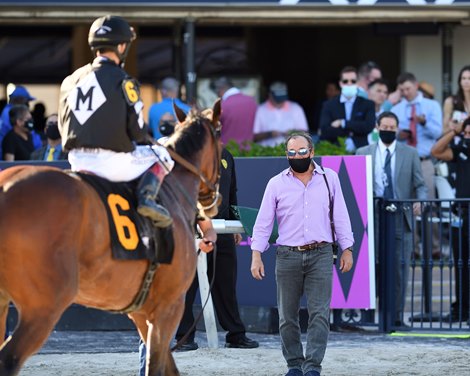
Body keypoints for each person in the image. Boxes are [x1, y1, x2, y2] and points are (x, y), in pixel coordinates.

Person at [250, 132, 354, 376]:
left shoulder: (330, 179)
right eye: (291, 153)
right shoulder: (276, 183)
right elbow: (263, 222)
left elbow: (341, 215)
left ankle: (313, 367)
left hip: (321, 253)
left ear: (312, 152)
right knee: (287, 316)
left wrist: (347, 248)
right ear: (286, 154)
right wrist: (256, 254)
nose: (296, 156)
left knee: (320, 313)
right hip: (287, 255)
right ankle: (294, 365)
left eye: (301, 151)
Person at [58, 15, 173, 228]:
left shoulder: (70, 80)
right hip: (112, 164)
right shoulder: (124, 81)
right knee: (165, 155)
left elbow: (63, 126)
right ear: (121, 46)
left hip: (76, 161)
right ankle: (147, 199)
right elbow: (138, 133)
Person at [174, 148, 259, 351]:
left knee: (226, 284)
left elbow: (231, 192)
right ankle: (184, 336)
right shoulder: (185, 153)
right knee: (187, 285)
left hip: (223, 229)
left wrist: (234, 223)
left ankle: (235, 334)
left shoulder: (226, 155)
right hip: (191, 230)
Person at [356, 111, 427, 326]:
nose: (388, 130)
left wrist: (420, 201)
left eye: (392, 127)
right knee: (370, 266)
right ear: (377, 128)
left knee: (398, 268)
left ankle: (395, 317)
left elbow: (420, 184)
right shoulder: (363, 152)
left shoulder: (410, 153)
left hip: (399, 215)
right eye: (384, 127)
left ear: (397, 129)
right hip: (372, 215)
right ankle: (368, 316)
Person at [138, 217, 217, 375]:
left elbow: (208, 228)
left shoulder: (192, 200)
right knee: (153, 330)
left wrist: (208, 240)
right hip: (153, 270)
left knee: (163, 332)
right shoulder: (154, 196)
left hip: (179, 273)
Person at [391, 72, 443, 255]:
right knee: (407, 204)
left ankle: (434, 248)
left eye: (408, 88)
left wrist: (425, 122)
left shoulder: (431, 105)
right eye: (402, 89)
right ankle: (412, 248)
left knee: (427, 203)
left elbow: (438, 133)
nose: (406, 92)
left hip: (424, 160)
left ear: (416, 86)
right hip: (404, 160)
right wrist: (399, 135)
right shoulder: (397, 109)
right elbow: (389, 131)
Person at [431, 117, 470, 324]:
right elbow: (436, 151)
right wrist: (454, 132)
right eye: (466, 134)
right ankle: (462, 308)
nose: (467, 138)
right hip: (462, 213)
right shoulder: (461, 152)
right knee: (461, 263)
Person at [319, 66, 375, 153]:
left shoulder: (368, 104)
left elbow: (368, 126)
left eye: (353, 81)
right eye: (345, 81)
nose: (349, 84)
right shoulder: (329, 105)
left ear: (357, 83)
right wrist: (352, 131)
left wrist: (343, 123)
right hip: (335, 151)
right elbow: (325, 131)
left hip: (361, 151)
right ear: (340, 83)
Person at [253, 81, 308, 147]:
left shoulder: (296, 108)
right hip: (266, 153)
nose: (280, 102)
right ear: (270, 95)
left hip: (292, 153)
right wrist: (269, 134)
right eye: (277, 99)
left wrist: (293, 133)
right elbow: (254, 137)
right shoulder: (260, 110)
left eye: (282, 99)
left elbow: (305, 133)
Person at [210, 77, 257, 146]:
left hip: (227, 151)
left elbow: (212, 128)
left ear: (220, 90)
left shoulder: (222, 105)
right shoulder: (252, 102)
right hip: (249, 152)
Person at [0, 85, 41, 158]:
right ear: (19, 100)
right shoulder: (9, 112)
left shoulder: (8, 111)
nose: (28, 104)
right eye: (27, 101)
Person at [442, 65, 470, 135]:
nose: (466, 81)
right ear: (460, 81)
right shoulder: (450, 101)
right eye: (463, 78)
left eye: (469, 78)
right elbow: (444, 130)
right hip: (456, 143)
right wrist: (451, 127)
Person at [367, 78, 389, 143]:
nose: (382, 95)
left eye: (385, 92)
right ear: (368, 92)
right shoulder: (358, 112)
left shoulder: (387, 116)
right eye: (379, 91)